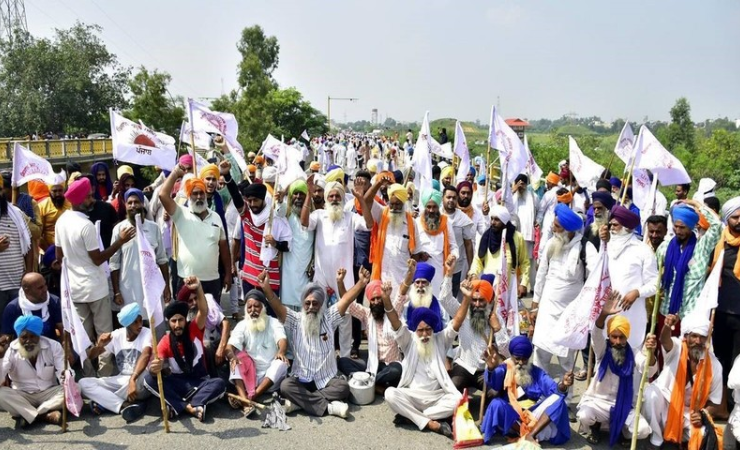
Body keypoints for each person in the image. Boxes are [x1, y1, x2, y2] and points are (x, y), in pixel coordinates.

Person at [259, 267, 370, 419]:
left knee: (343, 387)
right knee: (286, 386)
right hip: (302, 378)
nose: (311, 307)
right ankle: (330, 408)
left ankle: (300, 403)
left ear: (321, 305)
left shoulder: (329, 319)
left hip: (326, 379)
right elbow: (278, 308)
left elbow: (346, 299)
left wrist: (361, 283)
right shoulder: (296, 320)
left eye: (315, 303)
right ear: (303, 304)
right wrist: (267, 289)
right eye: (307, 303)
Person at [54, 177, 134, 376]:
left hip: (75, 289)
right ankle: (105, 376)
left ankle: (88, 377)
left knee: (83, 337)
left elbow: (58, 257)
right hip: (95, 289)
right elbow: (98, 259)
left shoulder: (61, 220)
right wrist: (120, 242)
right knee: (104, 335)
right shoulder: (86, 225)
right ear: (78, 200)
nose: (93, 200)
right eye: (89, 197)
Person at [383, 278, 474, 439]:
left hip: (436, 397)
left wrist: (466, 298)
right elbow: (395, 322)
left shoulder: (440, 339)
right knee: (390, 394)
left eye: (428, 330)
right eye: (421, 330)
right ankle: (432, 423)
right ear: (415, 329)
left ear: (433, 328)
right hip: (412, 395)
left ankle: (412, 417)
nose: (425, 334)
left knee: (458, 399)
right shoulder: (408, 339)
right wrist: (386, 301)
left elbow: (457, 321)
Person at [301, 178, 373, 358]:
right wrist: (309, 195)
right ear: (326, 199)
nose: (334, 199)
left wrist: (361, 199)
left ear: (342, 198)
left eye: (337, 196)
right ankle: (322, 356)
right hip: (322, 280)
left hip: (344, 281)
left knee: (345, 321)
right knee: (319, 318)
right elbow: (304, 222)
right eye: (331, 196)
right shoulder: (319, 215)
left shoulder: (350, 218)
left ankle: (346, 358)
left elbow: (369, 224)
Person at [145, 276, 227, 421]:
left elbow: (203, 310)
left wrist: (199, 287)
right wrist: (154, 368)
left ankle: (178, 405)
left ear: (185, 319)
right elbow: (155, 367)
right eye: (173, 321)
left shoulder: (194, 329)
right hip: (178, 383)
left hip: (199, 381)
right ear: (169, 323)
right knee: (149, 380)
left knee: (219, 384)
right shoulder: (165, 342)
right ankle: (190, 407)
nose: (177, 325)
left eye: (180, 320)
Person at [576, 298, 657, 446]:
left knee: (643, 431)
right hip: (598, 402)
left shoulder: (635, 354)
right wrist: (603, 315)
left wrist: (651, 354)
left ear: (627, 337)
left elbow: (649, 370)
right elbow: (595, 334)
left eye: (622, 337)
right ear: (609, 336)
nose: (618, 342)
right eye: (614, 337)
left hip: (624, 405)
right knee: (584, 415)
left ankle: (624, 433)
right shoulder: (602, 350)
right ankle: (595, 429)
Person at [643, 313, 723, 448]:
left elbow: (715, 403)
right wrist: (667, 326)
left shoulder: (714, 365)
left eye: (702, 337)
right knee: (650, 394)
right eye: (694, 336)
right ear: (686, 337)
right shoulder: (677, 347)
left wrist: (702, 414)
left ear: (707, 340)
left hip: (688, 413)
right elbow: (664, 339)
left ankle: (677, 438)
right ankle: (656, 440)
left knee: (704, 435)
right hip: (664, 403)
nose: (698, 341)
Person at [336, 261, 416, 394]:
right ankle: (376, 384)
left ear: (384, 298)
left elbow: (402, 292)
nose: (376, 302)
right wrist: (340, 282)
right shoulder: (367, 314)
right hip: (372, 365)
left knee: (397, 370)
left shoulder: (392, 311)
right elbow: (347, 302)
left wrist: (410, 273)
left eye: (379, 298)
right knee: (343, 362)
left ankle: (365, 383)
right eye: (373, 300)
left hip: (390, 365)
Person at [158, 161, 232, 300]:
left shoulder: (215, 217)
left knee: (211, 319)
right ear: (189, 196)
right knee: (188, 319)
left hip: (212, 280)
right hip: (187, 280)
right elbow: (163, 195)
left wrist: (228, 273)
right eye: (195, 193)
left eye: (201, 193)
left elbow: (224, 248)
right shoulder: (181, 214)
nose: (199, 197)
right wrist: (175, 173)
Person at [480, 335, 573, 445]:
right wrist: (491, 369)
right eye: (517, 358)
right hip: (512, 417)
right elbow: (494, 384)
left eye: (524, 359)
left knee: (559, 400)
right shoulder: (504, 369)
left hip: (533, 415)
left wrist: (563, 384)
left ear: (529, 358)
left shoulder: (537, 372)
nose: (520, 362)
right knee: (496, 404)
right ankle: (524, 432)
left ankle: (530, 435)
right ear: (511, 356)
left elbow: (555, 389)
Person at [531, 204, 586, 387]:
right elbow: (541, 276)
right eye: (554, 225)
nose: (553, 229)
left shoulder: (583, 249)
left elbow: (593, 277)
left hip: (569, 313)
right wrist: (535, 303)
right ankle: (540, 392)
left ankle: (566, 398)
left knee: (566, 359)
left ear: (569, 230)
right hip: (547, 309)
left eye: (557, 227)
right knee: (541, 353)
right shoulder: (551, 244)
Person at [597, 205, 658, 350]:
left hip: (633, 313)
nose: (611, 227)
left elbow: (655, 283)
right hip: (608, 309)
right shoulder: (607, 246)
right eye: (610, 224)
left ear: (626, 227)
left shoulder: (643, 250)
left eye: (615, 225)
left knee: (631, 354)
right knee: (605, 351)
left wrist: (637, 293)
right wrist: (602, 242)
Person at [438, 257, 502, 393]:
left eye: (481, 300)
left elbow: (506, 351)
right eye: (474, 300)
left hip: (485, 370)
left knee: (495, 393)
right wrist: (449, 273)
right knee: (451, 389)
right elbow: (444, 299)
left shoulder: (495, 318)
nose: (477, 305)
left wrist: (497, 329)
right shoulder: (463, 312)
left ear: (489, 301)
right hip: (464, 366)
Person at [78, 303, 152, 422]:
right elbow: (91, 356)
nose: (140, 325)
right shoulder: (117, 335)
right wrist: (99, 345)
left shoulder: (147, 333)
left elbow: (146, 355)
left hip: (140, 379)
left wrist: (133, 379)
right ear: (127, 324)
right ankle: (123, 405)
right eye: (135, 322)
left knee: (145, 376)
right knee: (83, 383)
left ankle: (104, 402)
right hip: (123, 381)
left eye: (140, 321)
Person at [225, 289, 289, 417]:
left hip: (270, 379)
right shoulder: (243, 325)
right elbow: (229, 347)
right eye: (249, 307)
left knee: (281, 363)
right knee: (235, 360)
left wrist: (281, 352)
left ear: (263, 308)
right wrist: (232, 356)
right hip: (250, 375)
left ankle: (249, 398)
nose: (252, 310)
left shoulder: (273, 322)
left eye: (256, 306)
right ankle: (246, 402)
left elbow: (282, 340)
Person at [655, 201, 722, 322]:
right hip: (666, 313)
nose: (678, 231)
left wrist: (696, 204)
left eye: (682, 227)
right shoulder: (664, 248)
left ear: (691, 227)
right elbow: (656, 274)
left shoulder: (702, 248)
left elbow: (717, 225)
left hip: (691, 315)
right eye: (676, 226)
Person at [110, 188, 171, 312]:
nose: (133, 206)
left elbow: (162, 259)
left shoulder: (153, 228)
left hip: (152, 287)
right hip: (128, 290)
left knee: (153, 325)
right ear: (125, 205)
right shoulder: (119, 229)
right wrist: (116, 292)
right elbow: (114, 263)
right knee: (132, 325)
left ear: (143, 204)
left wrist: (166, 287)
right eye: (130, 203)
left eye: (136, 202)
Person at [0, 316, 65, 428]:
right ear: (19, 337)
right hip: (22, 395)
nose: (28, 341)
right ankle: (44, 415)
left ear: (39, 336)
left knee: (74, 389)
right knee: (1, 394)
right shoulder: (11, 350)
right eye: (24, 337)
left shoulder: (53, 346)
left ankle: (28, 414)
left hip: (48, 393)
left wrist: (67, 377)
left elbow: (63, 373)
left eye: (32, 336)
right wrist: (0, 357)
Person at [712, 196, 740, 417]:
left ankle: (734, 407)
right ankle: (721, 405)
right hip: (721, 312)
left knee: (737, 362)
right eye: (736, 217)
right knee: (720, 360)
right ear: (727, 219)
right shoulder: (720, 244)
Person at [237, 182, 291, 295]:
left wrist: (275, 243)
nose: (252, 204)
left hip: (270, 279)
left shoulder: (275, 219)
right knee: (251, 312)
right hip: (249, 278)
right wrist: (227, 176)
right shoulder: (247, 216)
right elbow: (235, 197)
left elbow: (288, 246)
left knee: (270, 312)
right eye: (249, 201)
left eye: (256, 200)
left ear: (263, 200)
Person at [469, 205, 530, 299]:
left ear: (504, 221)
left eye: (497, 220)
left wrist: (524, 283)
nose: (493, 222)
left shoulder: (517, 237)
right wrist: (474, 274)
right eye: (492, 219)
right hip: (489, 285)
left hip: (509, 287)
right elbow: (478, 260)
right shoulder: (486, 237)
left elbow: (524, 263)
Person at [415, 189, 458, 296]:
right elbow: (411, 246)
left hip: (439, 269)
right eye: (428, 207)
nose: (431, 210)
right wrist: (419, 253)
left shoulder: (446, 222)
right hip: (421, 269)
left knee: (438, 300)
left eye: (434, 207)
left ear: (438, 207)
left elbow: (453, 246)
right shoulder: (416, 223)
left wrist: (452, 256)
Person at [280, 181, 314, 311]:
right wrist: (282, 194)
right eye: (295, 193)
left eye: (302, 194)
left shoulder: (314, 217)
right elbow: (276, 210)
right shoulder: (286, 216)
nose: (299, 197)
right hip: (288, 277)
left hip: (306, 275)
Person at [0, 178, 33, 312]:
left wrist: (29, 274)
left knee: (19, 327)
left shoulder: (16, 214)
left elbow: (29, 246)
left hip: (17, 283)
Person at [1, 273, 62, 342]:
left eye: (45, 285)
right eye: (40, 288)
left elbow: (63, 329)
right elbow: (6, 337)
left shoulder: (54, 301)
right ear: (27, 290)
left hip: (50, 348)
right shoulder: (12, 308)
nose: (45, 289)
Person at [440, 186, 474, 297]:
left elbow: (468, 244)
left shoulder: (463, 219)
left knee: (450, 300)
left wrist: (471, 267)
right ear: (443, 198)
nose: (451, 200)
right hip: (438, 264)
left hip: (455, 268)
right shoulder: (435, 215)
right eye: (448, 197)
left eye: (454, 198)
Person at [512, 174, 539, 285]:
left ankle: (528, 285)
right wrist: (514, 191)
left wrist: (538, 220)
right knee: (514, 259)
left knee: (528, 261)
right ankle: (515, 285)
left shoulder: (533, 196)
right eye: (519, 183)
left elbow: (540, 210)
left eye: (523, 183)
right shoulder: (512, 195)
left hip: (528, 234)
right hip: (514, 233)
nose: (521, 186)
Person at [38, 181, 70, 252]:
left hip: (70, 248)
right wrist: (49, 251)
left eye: (60, 190)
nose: (58, 194)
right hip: (49, 249)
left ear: (64, 190)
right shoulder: (42, 206)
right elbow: (38, 235)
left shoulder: (70, 203)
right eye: (54, 191)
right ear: (49, 191)